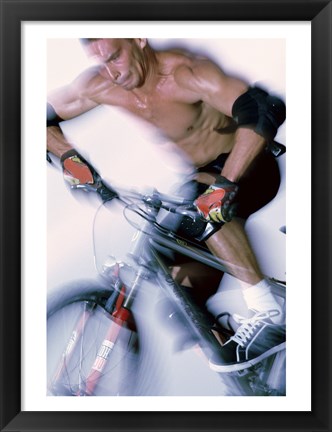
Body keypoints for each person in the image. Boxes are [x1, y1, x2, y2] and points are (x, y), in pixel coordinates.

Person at [47, 38, 286, 373]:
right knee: (179, 298)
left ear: (138, 40)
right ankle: (252, 376)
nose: (111, 73)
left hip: (249, 165)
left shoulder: (185, 72)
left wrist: (224, 184)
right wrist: (71, 162)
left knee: (201, 200)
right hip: (199, 178)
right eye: (101, 62)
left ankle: (269, 311)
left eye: (116, 57)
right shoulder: (99, 85)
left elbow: (262, 110)